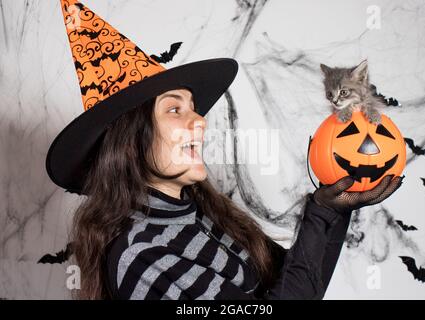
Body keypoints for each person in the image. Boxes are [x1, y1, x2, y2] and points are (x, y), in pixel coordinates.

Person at [46, 0, 403, 300]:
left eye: (194, 108)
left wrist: (331, 210)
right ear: (130, 141)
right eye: (175, 109)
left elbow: (301, 288)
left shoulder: (206, 211)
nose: (200, 121)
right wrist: (322, 214)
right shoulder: (142, 257)